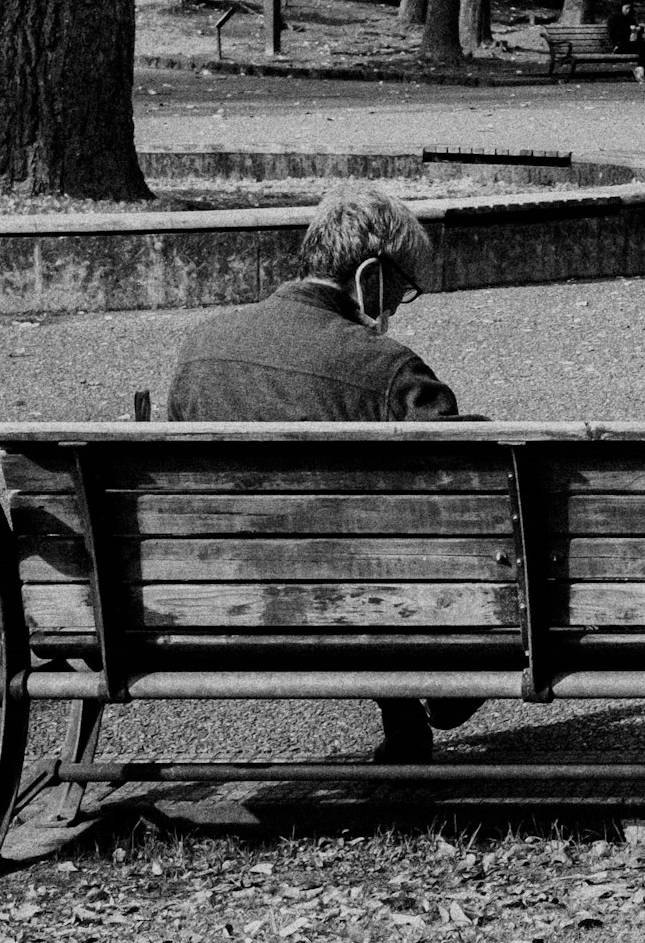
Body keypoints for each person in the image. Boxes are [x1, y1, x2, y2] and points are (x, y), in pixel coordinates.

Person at [166, 189, 472, 756]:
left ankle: (405, 719)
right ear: (369, 275)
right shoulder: (389, 370)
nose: (399, 306)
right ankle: (451, 680)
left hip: (212, 602)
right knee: (394, 540)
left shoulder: (199, 350)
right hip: (356, 609)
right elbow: (464, 503)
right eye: (402, 289)